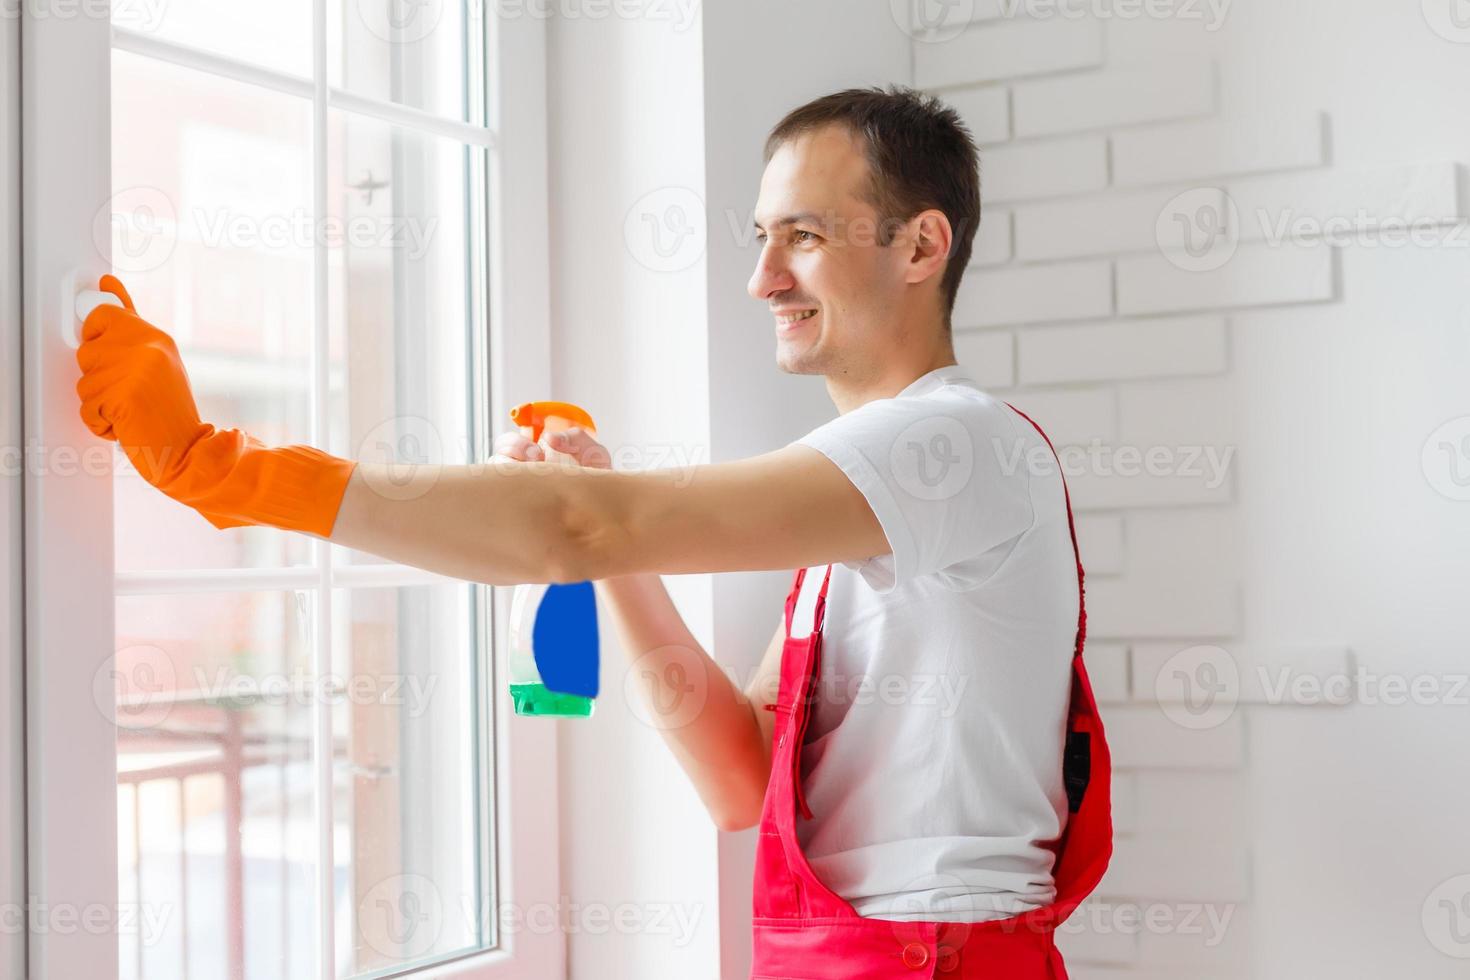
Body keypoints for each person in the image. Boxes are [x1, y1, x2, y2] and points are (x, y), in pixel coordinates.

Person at [75, 85, 1110, 978]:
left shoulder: (953, 444)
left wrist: (223, 469)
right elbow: (739, 775)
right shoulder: (867, 501)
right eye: (761, 239)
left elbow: (571, 525)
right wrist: (617, 548)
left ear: (922, 244)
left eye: (804, 235)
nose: (762, 279)